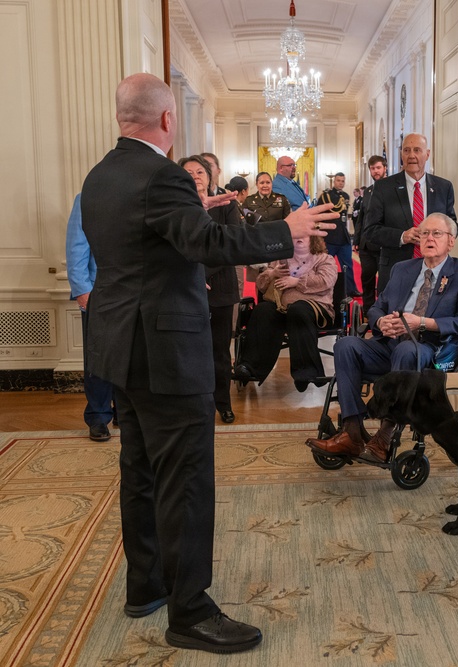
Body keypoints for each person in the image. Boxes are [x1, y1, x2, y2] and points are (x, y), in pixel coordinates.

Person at [80, 73, 337, 654]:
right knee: (186, 479)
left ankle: (146, 585)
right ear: (168, 120)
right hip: (167, 349)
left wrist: (196, 209)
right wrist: (288, 228)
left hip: (120, 344)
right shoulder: (163, 175)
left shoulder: (103, 175)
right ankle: (190, 611)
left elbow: (151, 242)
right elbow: (210, 248)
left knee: (141, 470)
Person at [307, 213, 458, 463]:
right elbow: (378, 307)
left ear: (451, 241)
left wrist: (421, 322)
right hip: (389, 345)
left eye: (436, 234)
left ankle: (385, 436)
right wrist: (381, 321)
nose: (429, 238)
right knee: (345, 345)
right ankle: (352, 431)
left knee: (407, 350)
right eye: (424, 233)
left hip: (431, 351)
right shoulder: (403, 269)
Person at [179, 155, 243, 424]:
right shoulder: (176, 208)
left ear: (209, 175)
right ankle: (194, 405)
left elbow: (230, 243)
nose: (195, 176)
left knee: (219, 351)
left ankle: (223, 404)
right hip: (183, 288)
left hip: (219, 287)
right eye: (188, 172)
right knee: (189, 351)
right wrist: (192, 276)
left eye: (199, 171)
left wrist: (201, 273)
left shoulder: (226, 204)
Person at [233, 235, 338, 391]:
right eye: (296, 236)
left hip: (316, 308)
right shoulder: (281, 260)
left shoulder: (324, 259)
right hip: (282, 308)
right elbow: (261, 286)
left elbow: (326, 281)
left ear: (313, 239)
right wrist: (272, 274)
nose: (299, 239)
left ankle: (306, 372)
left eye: (304, 236)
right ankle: (249, 366)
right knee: (263, 310)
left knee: (298, 310)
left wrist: (297, 282)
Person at [362, 134, 457, 285]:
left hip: (436, 270)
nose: (411, 155)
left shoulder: (443, 187)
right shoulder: (383, 188)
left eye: (417, 150)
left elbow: (453, 225)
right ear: (401, 155)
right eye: (406, 150)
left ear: (427, 154)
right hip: (396, 271)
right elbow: (370, 230)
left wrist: (440, 236)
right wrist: (402, 236)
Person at [65, 192, 116, 441]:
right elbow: (76, 247)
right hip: (99, 293)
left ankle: (125, 412)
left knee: (131, 356)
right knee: (98, 358)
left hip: (137, 294)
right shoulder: (88, 197)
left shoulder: (146, 193)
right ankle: (98, 416)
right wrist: (82, 290)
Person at [353, 155, 388, 316]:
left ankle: (381, 312)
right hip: (366, 245)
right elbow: (362, 217)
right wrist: (357, 239)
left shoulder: (391, 189)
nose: (375, 171)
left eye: (378, 168)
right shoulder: (368, 191)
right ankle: (368, 313)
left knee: (383, 282)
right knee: (367, 279)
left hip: (383, 245)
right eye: (372, 169)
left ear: (385, 168)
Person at [316, 172, 358, 296]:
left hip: (343, 237)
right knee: (325, 265)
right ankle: (322, 288)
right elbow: (319, 214)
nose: (341, 183)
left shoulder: (345, 196)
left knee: (348, 265)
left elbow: (343, 216)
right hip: (329, 236)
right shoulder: (326, 196)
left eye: (343, 181)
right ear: (334, 181)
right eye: (339, 181)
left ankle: (351, 289)